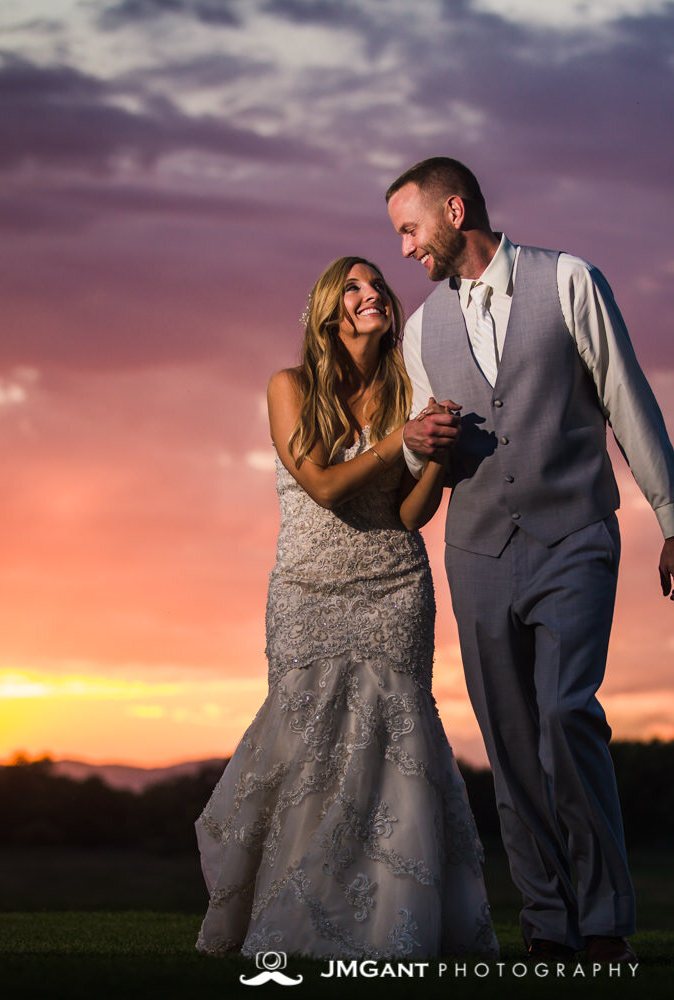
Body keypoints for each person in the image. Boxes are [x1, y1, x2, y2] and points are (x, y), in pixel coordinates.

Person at [386, 157, 674, 964]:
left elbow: (628, 397)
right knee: (510, 743)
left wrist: (673, 519)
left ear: (455, 210)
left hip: (574, 534)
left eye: (410, 228)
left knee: (566, 714)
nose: (406, 249)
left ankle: (605, 922)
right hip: (478, 548)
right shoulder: (424, 330)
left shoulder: (570, 281)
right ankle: (548, 926)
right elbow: (435, 451)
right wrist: (425, 447)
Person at [194, 256, 500, 961]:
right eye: (355, 287)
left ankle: (393, 925)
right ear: (331, 312)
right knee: (309, 753)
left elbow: (408, 515)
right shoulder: (290, 386)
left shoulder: (410, 393)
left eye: (377, 286)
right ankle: (292, 920)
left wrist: (440, 463)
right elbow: (323, 486)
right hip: (307, 590)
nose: (372, 295)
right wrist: (403, 441)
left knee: (396, 751)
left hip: (395, 586)